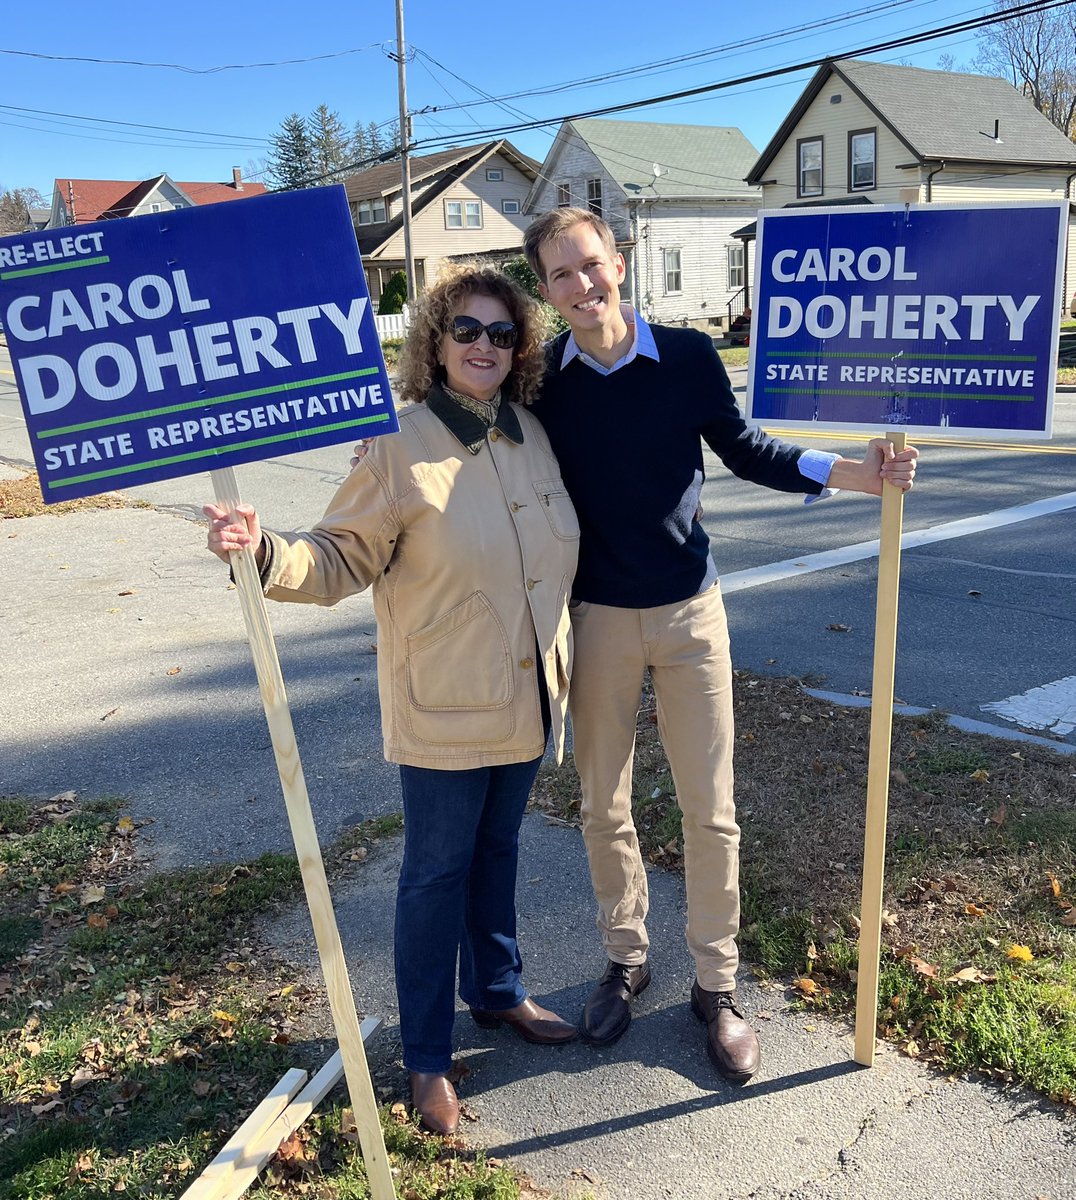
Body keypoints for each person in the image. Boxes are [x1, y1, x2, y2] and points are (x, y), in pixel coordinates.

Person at [520, 207, 919, 1083]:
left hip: (691, 614)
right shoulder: (540, 380)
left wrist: (851, 473)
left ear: (618, 261)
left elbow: (743, 447)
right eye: (560, 274)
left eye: (590, 264)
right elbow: (478, 443)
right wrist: (387, 447)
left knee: (710, 809)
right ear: (544, 291)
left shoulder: (688, 356)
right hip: (595, 618)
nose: (581, 285)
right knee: (603, 806)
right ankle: (626, 960)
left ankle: (717, 983)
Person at [205, 265, 580, 1135]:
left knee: (497, 852)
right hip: (444, 705)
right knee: (436, 876)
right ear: (435, 344)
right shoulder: (397, 444)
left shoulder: (530, 432)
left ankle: (499, 991)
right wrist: (263, 552)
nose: (483, 345)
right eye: (465, 330)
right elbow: (338, 555)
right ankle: (427, 1058)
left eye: (500, 333)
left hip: (528, 697)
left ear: (518, 348)